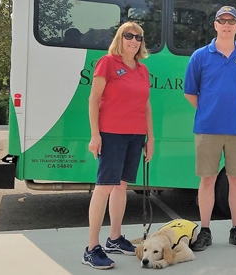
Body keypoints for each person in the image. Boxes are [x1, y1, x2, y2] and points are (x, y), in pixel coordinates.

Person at [184, 6, 236, 251]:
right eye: (222, 20)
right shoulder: (200, 56)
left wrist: (231, 110)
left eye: (231, 21)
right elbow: (190, 93)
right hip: (208, 128)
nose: (226, 25)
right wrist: (210, 110)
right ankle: (204, 231)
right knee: (207, 180)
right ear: (215, 25)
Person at [83, 21, 154, 269]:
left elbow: (146, 105)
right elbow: (93, 99)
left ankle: (114, 239)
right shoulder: (108, 62)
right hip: (111, 134)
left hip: (136, 136)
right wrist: (95, 134)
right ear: (120, 38)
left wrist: (150, 139)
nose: (134, 41)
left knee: (121, 187)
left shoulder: (142, 69)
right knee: (104, 188)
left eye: (138, 37)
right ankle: (91, 248)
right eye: (129, 36)